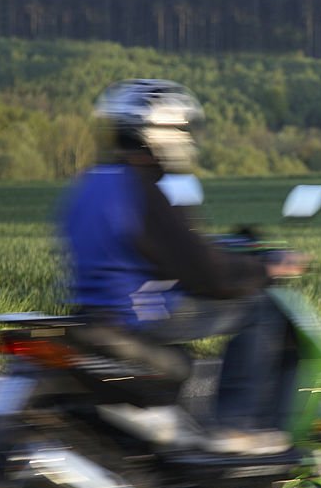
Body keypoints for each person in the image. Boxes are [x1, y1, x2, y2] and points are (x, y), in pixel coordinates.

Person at [59, 79, 305, 449]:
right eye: (183, 128)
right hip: (138, 311)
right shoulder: (144, 187)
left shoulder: (91, 182)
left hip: (94, 308)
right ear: (159, 131)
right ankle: (234, 425)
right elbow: (205, 274)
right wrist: (263, 271)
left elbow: (156, 250)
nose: (187, 139)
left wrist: (211, 254)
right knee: (260, 309)